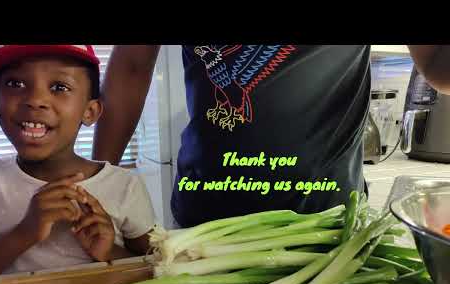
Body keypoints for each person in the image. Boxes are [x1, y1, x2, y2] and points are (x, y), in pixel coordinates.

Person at [92, 45, 450, 228]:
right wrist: (101, 183)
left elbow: (436, 61)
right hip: (204, 227)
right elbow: (132, 65)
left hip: (327, 226)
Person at [0, 45, 156, 279]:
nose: (36, 100)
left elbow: (158, 270)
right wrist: (25, 232)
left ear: (90, 111)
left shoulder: (124, 186)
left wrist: (110, 252)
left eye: (60, 87)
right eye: (15, 84)